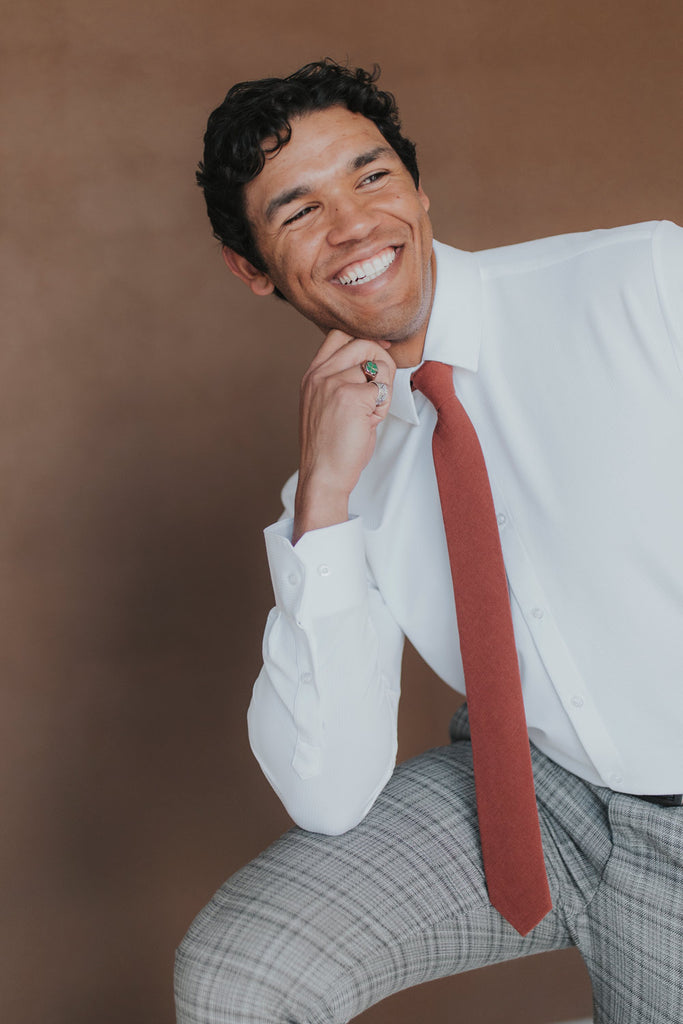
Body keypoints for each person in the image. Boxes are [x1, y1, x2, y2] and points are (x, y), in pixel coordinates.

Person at [175, 59, 683, 1024]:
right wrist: (324, 496)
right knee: (241, 973)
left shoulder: (643, 285)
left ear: (416, 188)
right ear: (251, 269)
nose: (353, 225)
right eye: (298, 210)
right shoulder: (338, 474)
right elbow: (328, 791)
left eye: (370, 178)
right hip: (533, 787)